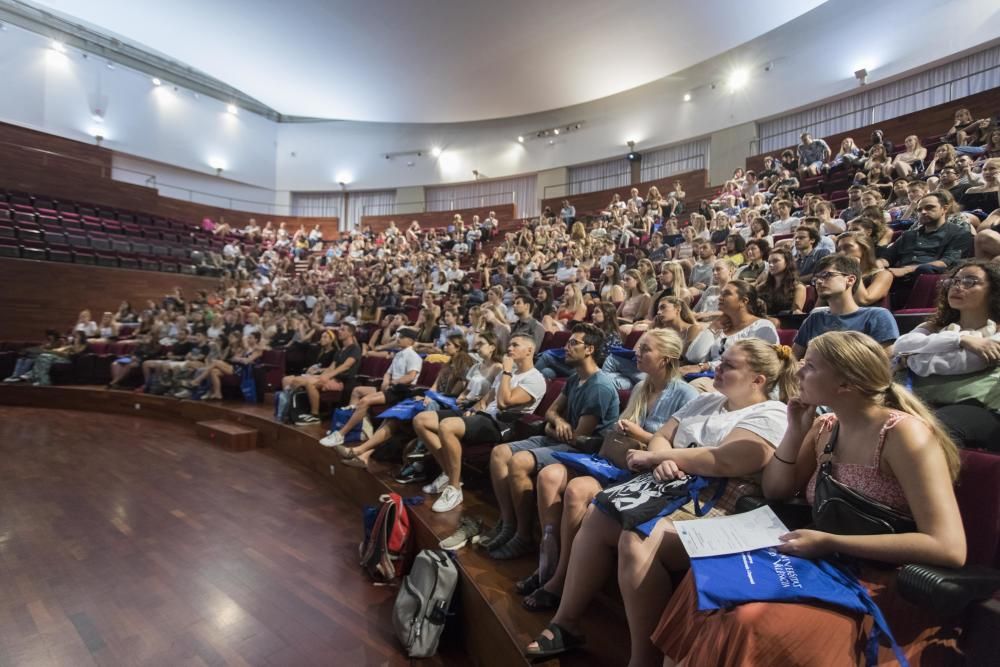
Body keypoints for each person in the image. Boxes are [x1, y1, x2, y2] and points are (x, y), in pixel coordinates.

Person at [654, 330, 965, 667]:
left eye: (811, 367)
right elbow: (776, 491)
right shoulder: (826, 427)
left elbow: (947, 547)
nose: (798, 371)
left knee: (748, 620)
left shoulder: (903, 434)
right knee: (704, 580)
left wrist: (831, 541)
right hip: (826, 560)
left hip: (878, 579)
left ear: (845, 385)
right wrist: (795, 429)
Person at [526, 339, 797, 662]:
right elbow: (660, 436)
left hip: (717, 505)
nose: (718, 368)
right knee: (600, 513)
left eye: (729, 366)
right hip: (666, 489)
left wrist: (668, 457)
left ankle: (644, 658)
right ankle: (566, 622)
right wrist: (659, 458)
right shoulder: (706, 400)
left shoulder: (771, 412)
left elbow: (727, 460)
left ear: (758, 380)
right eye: (720, 361)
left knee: (635, 538)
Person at [520, 330, 698, 611]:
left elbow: (684, 451)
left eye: (645, 350)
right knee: (550, 475)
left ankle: (561, 578)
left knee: (578, 490)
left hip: (650, 478)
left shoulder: (687, 395)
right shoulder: (642, 387)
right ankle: (550, 563)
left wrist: (638, 434)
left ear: (666, 358)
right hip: (619, 463)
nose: (636, 354)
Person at [483, 324, 620, 559]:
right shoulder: (575, 378)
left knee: (518, 462)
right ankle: (508, 523)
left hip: (583, 450)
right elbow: (552, 411)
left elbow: (577, 437)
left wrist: (552, 426)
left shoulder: (600, 386)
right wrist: (556, 421)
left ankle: (523, 536)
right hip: (559, 438)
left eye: (573, 343)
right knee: (499, 453)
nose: (565, 347)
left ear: (589, 349)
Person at [415, 333, 548, 513]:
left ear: (529, 351)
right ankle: (448, 471)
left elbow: (503, 403)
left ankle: (454, 488)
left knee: (447, 426)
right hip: (483, 416)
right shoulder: (506, 373)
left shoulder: (535, 378)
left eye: (515, 345)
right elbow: (487, 399)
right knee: (421, 420)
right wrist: (474, 409)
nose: (509, 349)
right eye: (509, 345)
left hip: (501, 424)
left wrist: (507, 371)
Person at [895, 260, 1000, 451]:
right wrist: (960, 340)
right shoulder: (935, 326)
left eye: (970, 281)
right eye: (954, 281)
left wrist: (911, 359)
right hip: (921, 401)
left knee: (936, 427)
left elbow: (964, 362)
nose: (957, 286)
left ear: (994, 291)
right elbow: (901, 345)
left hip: (979, 408)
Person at [335, 334, 474, 470]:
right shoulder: (448, 363)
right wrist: (428, 395)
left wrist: (432, 397)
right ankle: (362, 454)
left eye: (449, 344)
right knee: (394, 416)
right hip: (433, 400)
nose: (445, 346)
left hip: (445, 406)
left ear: (458, 347)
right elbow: (434, 387)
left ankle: (361, 452)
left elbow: (454, 394)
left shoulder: (465, 366)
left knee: (396, 420)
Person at [319, 327, 422, 448]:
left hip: (401, 391)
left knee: (365, 401)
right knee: (357, 391)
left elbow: (410, 377)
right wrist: (385, 381)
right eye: (399, 336)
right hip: (390, 387)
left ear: (410, 341)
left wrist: (392, 382)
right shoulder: (399, 354)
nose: (398, 339)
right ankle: (358, 429)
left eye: (402, 337)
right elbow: (388, 372)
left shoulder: (414, 356)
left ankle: (341, 434)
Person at [792, 254, 898, 359]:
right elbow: (792, 359)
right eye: (815, 279)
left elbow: (884, 364)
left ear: (850, 280)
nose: (819, 282)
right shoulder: (814, 318)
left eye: (826, 275)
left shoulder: (877, 316)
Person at [877, 191, 973, 279]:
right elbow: (887, 257)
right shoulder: (908, 235)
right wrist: (879, 264)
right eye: (919, 210)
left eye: (929, 207)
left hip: (929, 278)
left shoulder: (959, 233)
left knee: (924, 270)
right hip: (896, 276)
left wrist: (906, 270)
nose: (923, 212)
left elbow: (946, 262)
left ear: (944, 209)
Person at [285, 324, 362, 425]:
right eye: (339, 329)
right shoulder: (340, 351)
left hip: (343, 381)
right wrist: (319, 376)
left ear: (350, 333)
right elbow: (331, 367)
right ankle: (294, 411)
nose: (339, 331)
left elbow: (346, 366)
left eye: (343, 330)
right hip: (333, 378)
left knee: (309, 384)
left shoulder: (355, 349)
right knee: (296, 380)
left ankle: (315, 415)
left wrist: (327, 376)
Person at [756, 248, 806, 316]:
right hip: (762, 321)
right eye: (769, 262)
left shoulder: (798, 288)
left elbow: (795, 313)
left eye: (775, 261)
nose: (770, 265)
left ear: (787, 262)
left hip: (785, 322)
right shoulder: (761, 287)